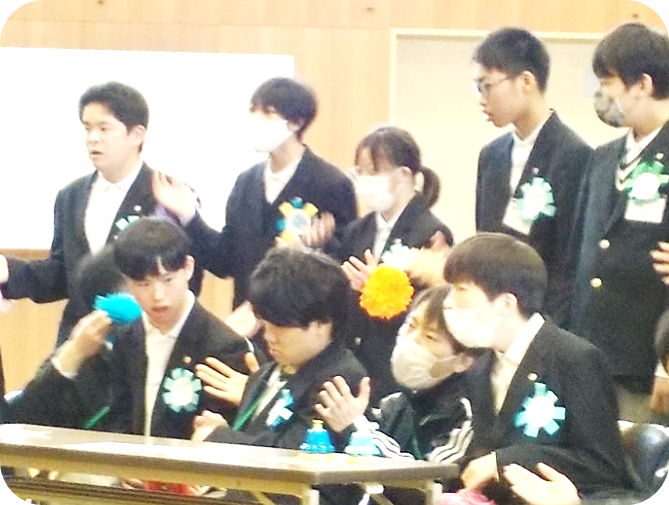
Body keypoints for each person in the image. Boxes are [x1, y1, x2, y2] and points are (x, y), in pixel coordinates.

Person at [12, 218, 253, 440]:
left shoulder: (224, 346)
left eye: (167, 280)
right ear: (128, 281)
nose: (158, 295)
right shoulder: (124, 337)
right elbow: (117, 418)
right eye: (143, 284)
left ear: (188, 268)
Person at [0, 81, 202, 347]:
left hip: (143, 341)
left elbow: (186, 281)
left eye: (104, 128)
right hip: (80, 338)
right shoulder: (70, 196)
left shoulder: (170, 196)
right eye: (87, 128)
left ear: (136, 135)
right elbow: (62, 275)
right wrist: (9, 271)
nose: (93, 138)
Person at [441, 233, 632, 500]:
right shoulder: (481, 368)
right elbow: (482, 454)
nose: (449, 302)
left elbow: (602, 465)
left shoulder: (575, 359)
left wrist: (505, 461)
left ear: (506, 303)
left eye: (460, 290)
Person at [152, 75, 357, 310]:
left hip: (300, 317)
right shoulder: (246, 182)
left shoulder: (330, 182)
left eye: (268, 113)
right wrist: (189, 216)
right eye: (253, 111)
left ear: (296, 122)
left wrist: (317, 249)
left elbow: (345, 263)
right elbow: (225, 261)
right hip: (247, 318)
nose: (257, 120)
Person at [307, 125, 454, 406]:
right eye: (360, 172)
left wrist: (380, 290)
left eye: (373, 171)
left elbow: (432, 309)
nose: (365, 180)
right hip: (355, 359)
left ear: (403, 175)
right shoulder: (357, 230)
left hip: (394, 360)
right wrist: (320, 248)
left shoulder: (430, 232)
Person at [569, 22, 669, 424]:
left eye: (607, 82)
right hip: (588, 354)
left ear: (642, 84)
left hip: (646, 360)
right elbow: (578, 255)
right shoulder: (602, 158)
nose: (601, 94)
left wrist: (666, 361)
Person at [472, 27, 592, 326]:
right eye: (478, 89)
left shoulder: (574, 154)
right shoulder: (491, 154)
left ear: (526, 81)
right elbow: (485, 237)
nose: (482, 99)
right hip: (494, 314)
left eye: (487, 86)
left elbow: (570, 261)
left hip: (545, 317)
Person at [192, 247, 366, 449]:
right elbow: (257, 439)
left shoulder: (340, 379)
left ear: (321, 323)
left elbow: (296, 452)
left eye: (280, 326)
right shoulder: (266, 373)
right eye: (265, 323)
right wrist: (225, 431)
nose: (268, 336)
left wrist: (220, 438)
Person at [315, 285, 479, 466]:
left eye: (430, 337)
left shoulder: (466, 414)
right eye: (411, 326)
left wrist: (355, 429)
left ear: (463, 361)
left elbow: (429, 475)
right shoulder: (393, 404)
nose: (412, 339)